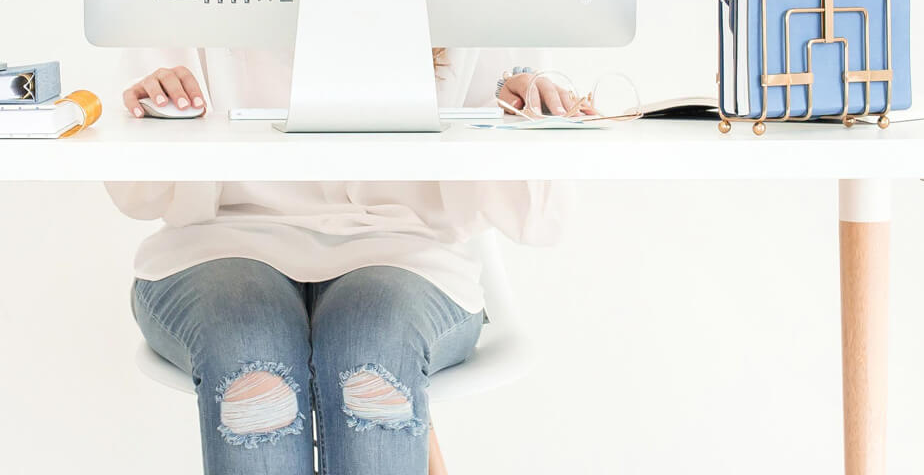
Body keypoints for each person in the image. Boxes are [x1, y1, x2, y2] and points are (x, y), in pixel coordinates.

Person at [106, 47, 581, 475]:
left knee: (372, 348)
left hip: (404, 249)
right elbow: (138, 194)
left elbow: (542, 221)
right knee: (250, 353)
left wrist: (528, 117)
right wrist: (152, 110)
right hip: (221, 243)